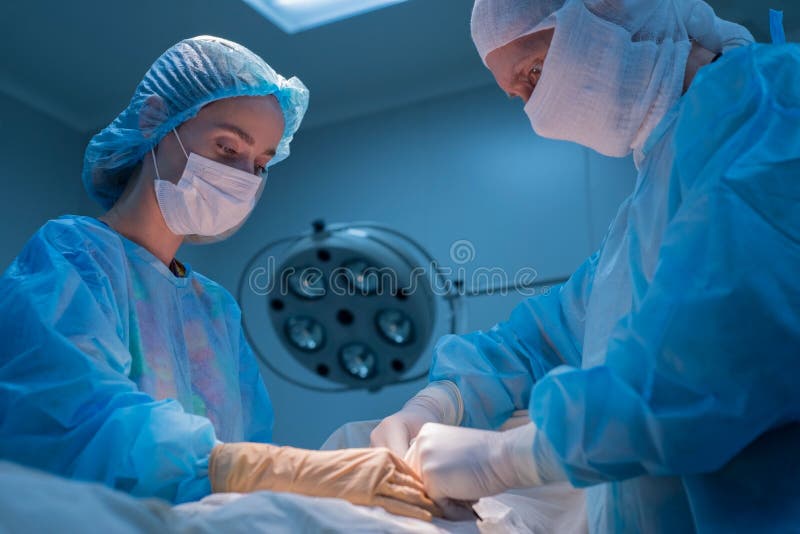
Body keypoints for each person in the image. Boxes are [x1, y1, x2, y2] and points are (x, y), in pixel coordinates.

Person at [372, 1, 800, 531]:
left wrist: (501, 459)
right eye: (517, 96)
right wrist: (443, 400)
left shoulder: (775, 111)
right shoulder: (644, 216)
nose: (535, 110)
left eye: (534, 71)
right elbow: (544, 339)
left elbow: (715, 363)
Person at [0, 35, 439, 522]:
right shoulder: (74, 257)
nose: (243, 175)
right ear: (155, 119)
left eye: (260, 164)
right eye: (227, 146)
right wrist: (241, 467)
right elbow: (73, 420)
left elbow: (245, 454)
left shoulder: (214, 308)